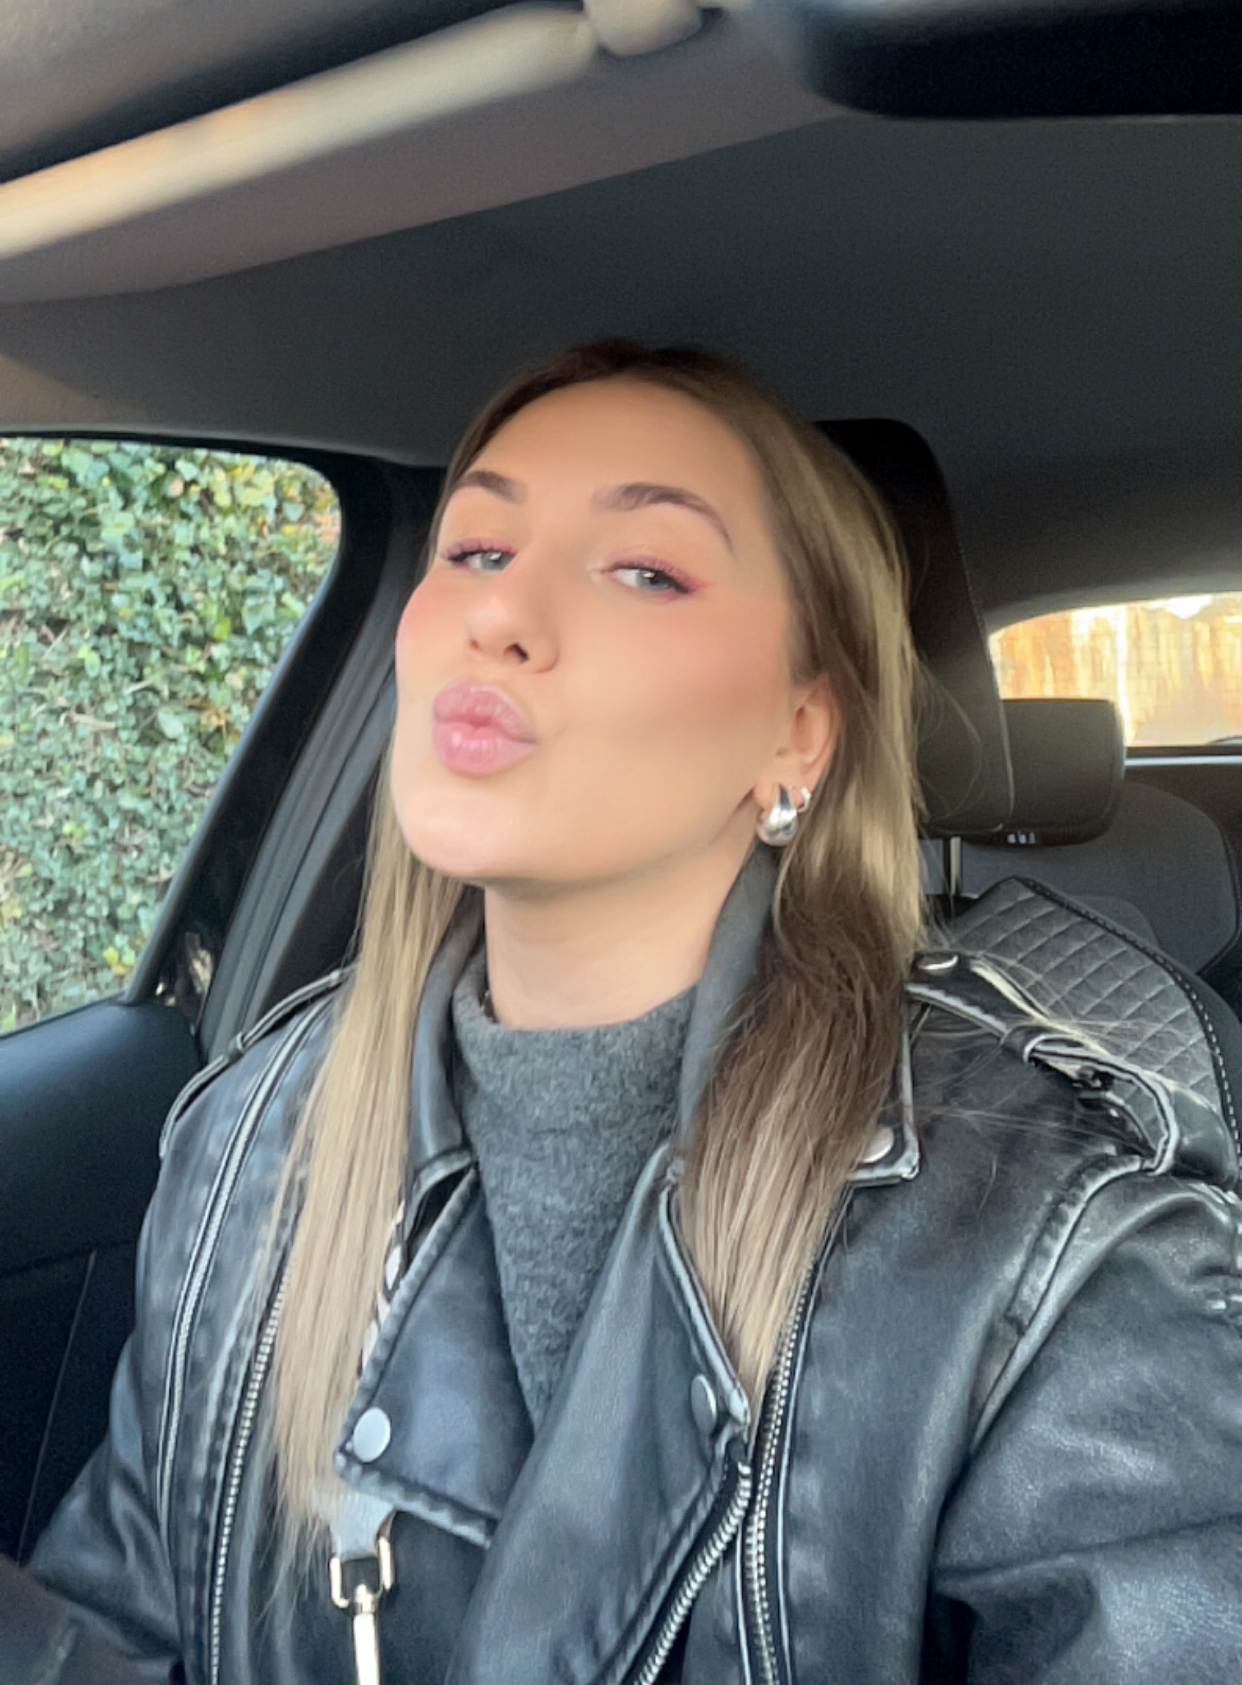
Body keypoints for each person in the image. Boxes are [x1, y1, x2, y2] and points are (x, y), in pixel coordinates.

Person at [25, 341, 1242, 1684]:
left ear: (798, 733)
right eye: (475, 549)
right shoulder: (253, 1141)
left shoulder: (1051, 1254)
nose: (500, 612)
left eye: (646, 570)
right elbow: (116, 1632)